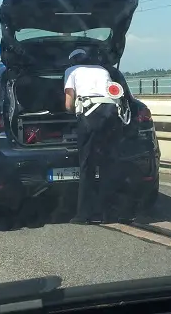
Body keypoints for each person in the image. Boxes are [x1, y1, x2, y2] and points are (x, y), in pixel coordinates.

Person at [64, 48, 126, 224]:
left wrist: (72, 115)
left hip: (90, 117)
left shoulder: (72, 71)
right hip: (111, 114)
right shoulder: (103, 70)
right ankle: (110, 213)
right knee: (108, 163)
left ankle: (84, 214)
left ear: (73, 60)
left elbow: (69, 103)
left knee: (87, 165)